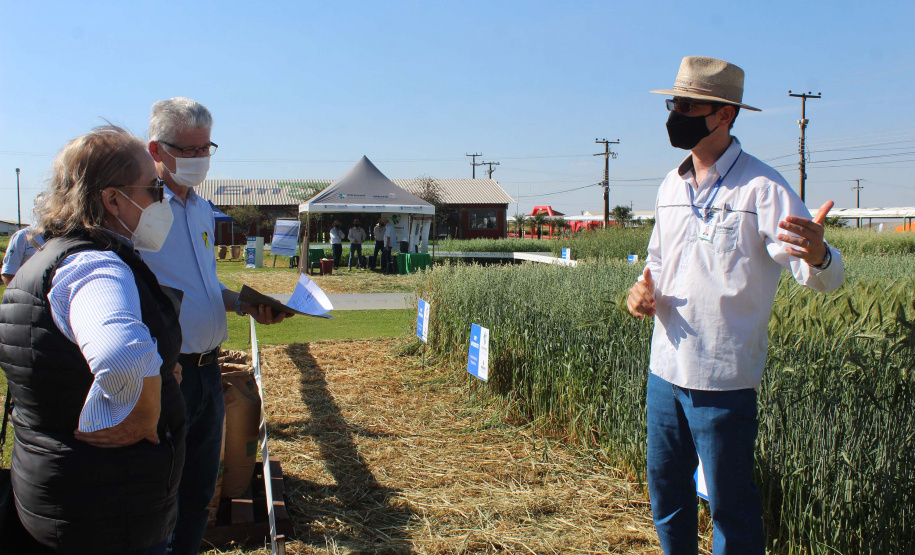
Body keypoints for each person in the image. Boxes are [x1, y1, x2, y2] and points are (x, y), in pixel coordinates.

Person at [627, 56, 845, 554]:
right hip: (664, 371)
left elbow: (825, 277)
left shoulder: (763, 189)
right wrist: (637, 295)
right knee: (666, 495)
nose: (676, 114)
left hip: (723, 380)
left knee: (730, 506)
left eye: (688, 105)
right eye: (673, 103)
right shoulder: (669, 186)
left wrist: (819, 253)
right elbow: (654, 267)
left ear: (725, 114)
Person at [0, 125, 185, 555]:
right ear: (112, 199)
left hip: (60, 495)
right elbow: (122, 355)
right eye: (154, 188)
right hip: (108, 511)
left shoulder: (49, 256)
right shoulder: (96, 265)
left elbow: (54, 359)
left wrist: (159, 365)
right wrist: (146, 408)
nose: (161, 200)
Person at [140, 97, 288, 555]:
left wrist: (243, 302)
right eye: (187, 150)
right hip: (168, 374)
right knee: (158, 495)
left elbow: (204, 286)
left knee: (200, 492)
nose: (199, 159)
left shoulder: (202, 210)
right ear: (156, 150)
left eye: (206, 148)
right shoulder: (139, 212)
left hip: (209, 370)